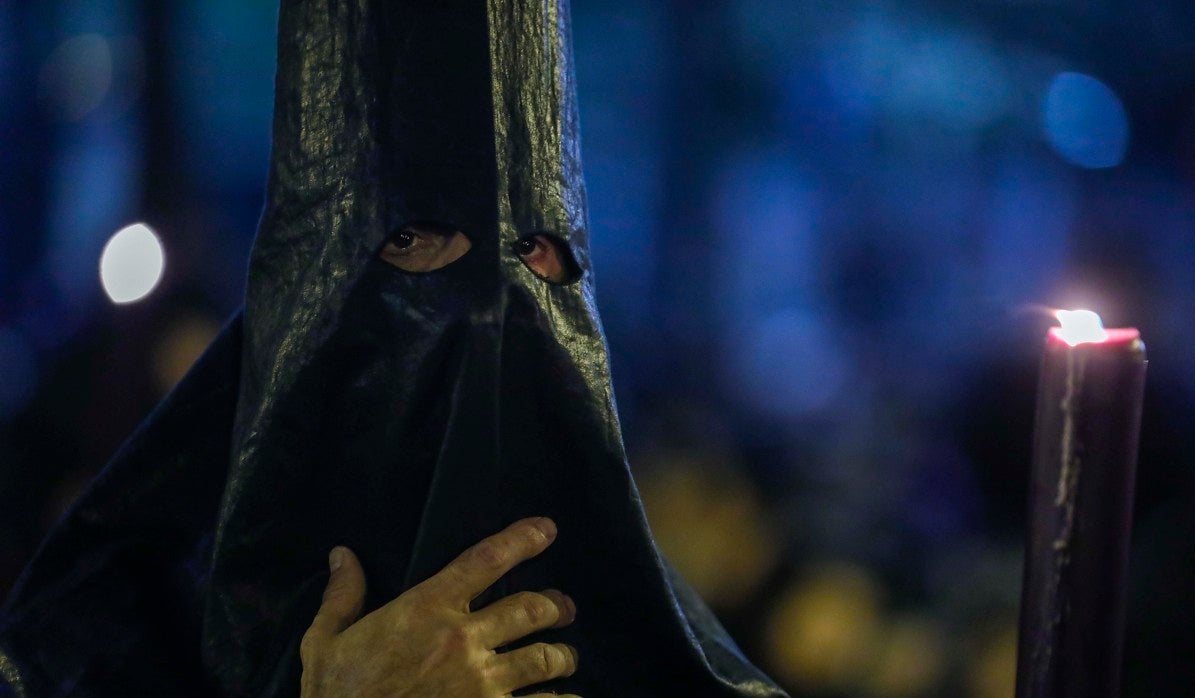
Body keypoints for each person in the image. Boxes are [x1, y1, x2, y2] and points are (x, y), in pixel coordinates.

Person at [0, 2, 787, 696]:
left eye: (535, 249)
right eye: (413, 239)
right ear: (314, 285)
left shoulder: (665, 652)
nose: (489, 300)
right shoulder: (99, 647)